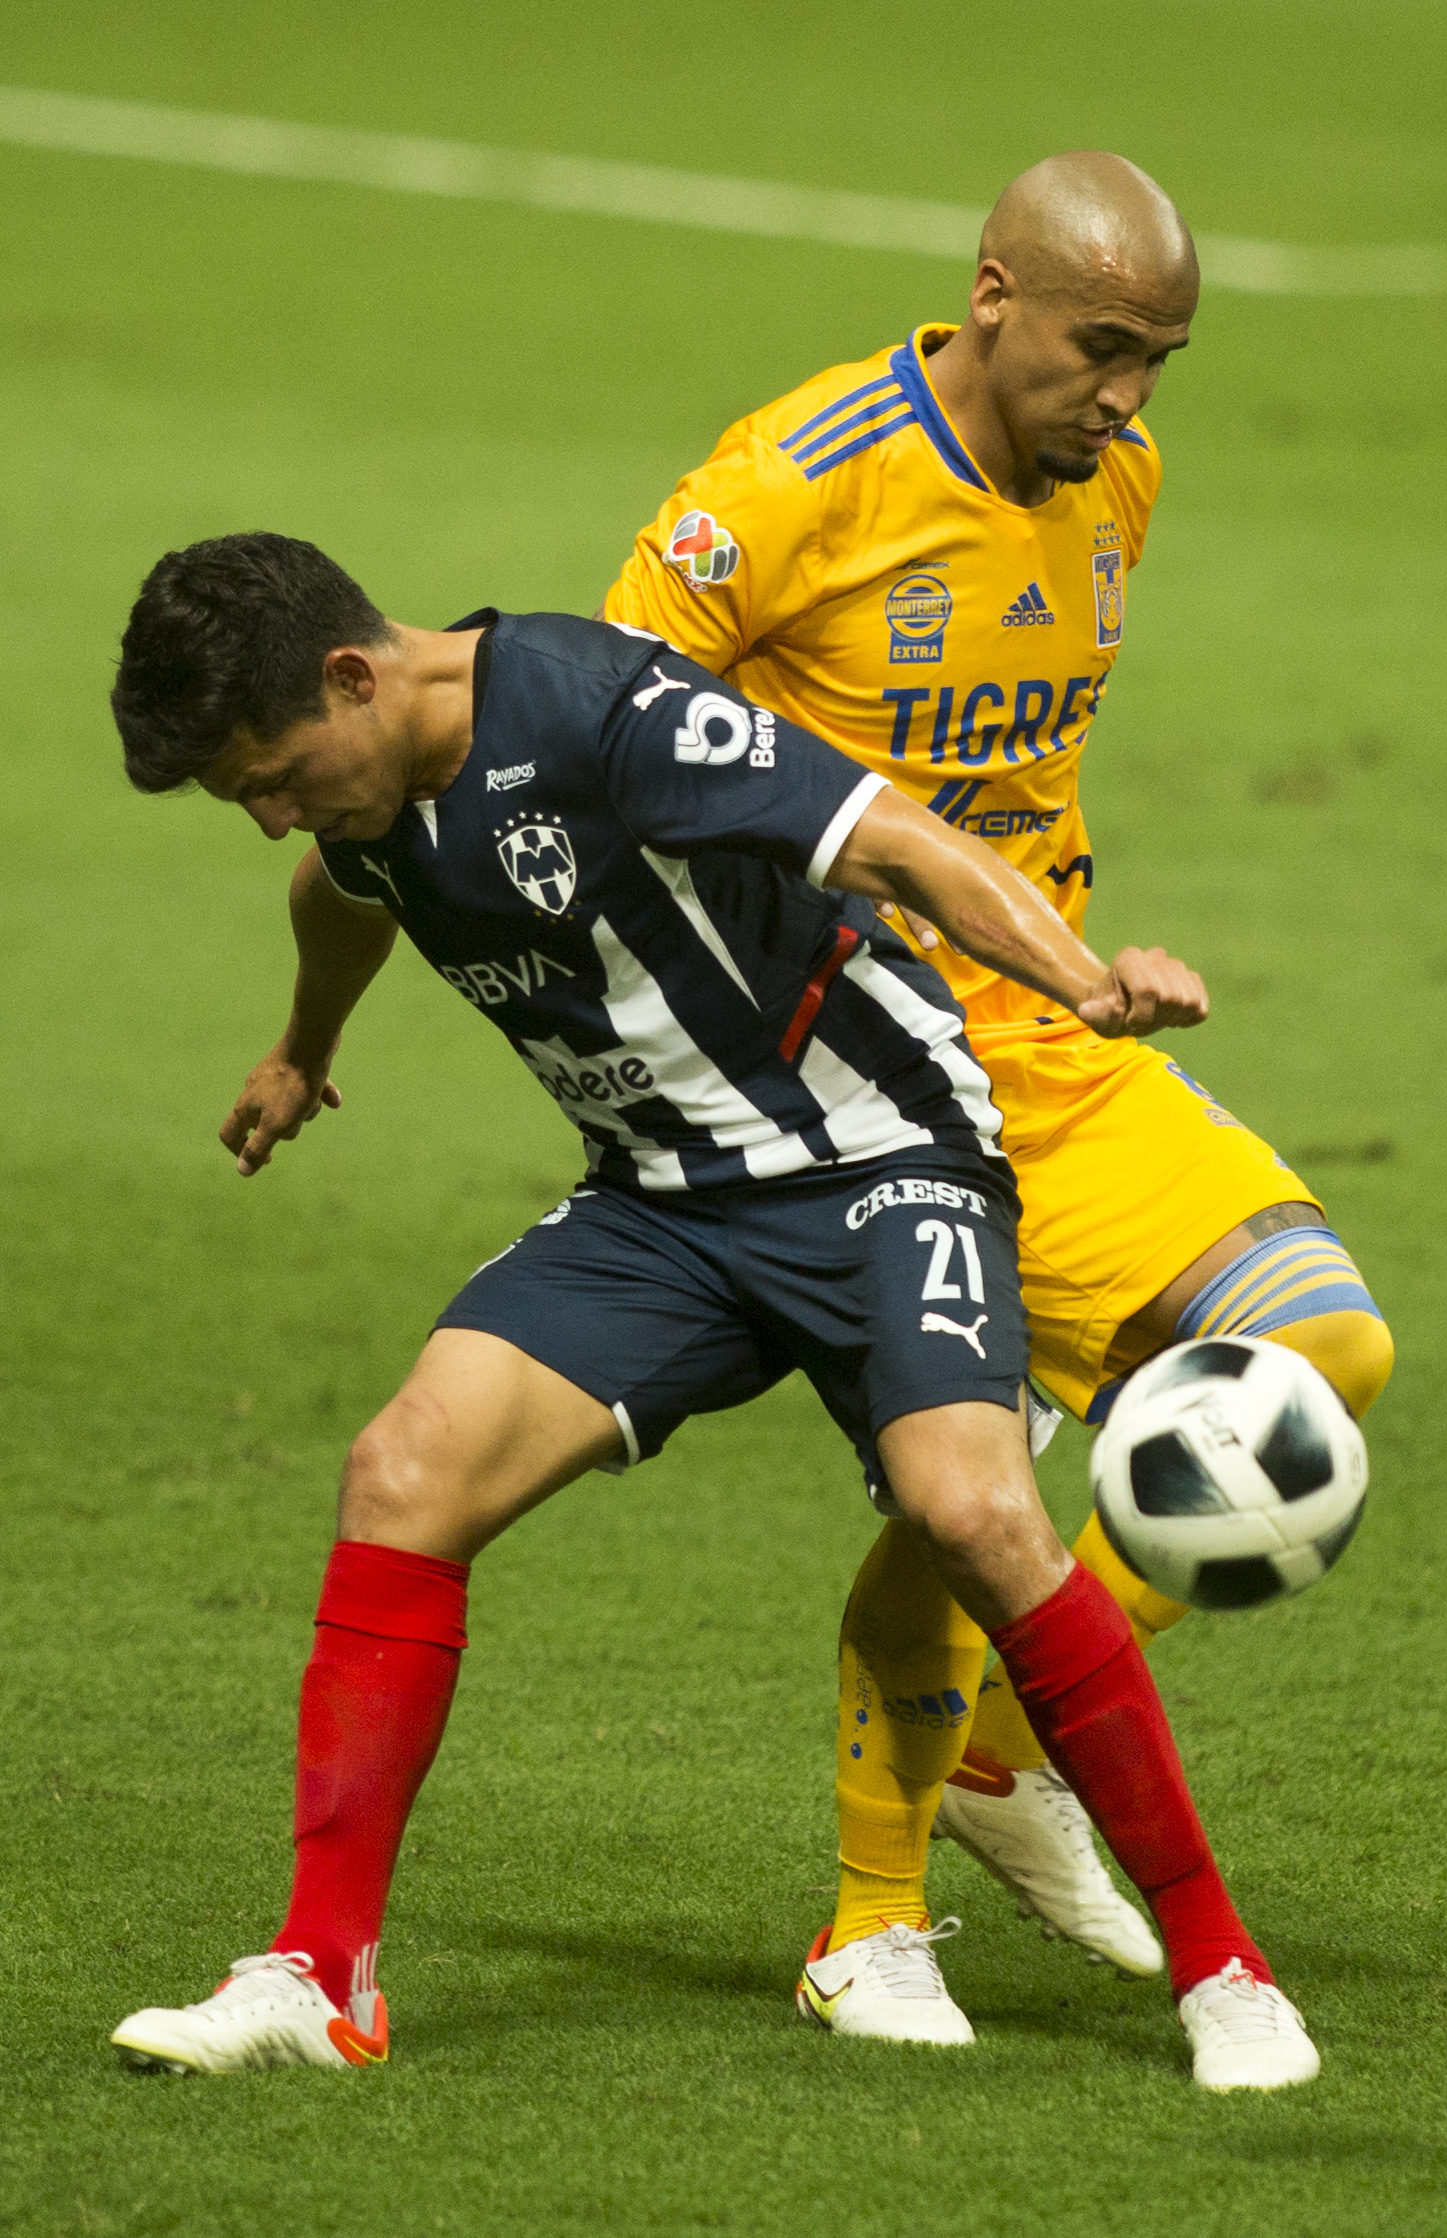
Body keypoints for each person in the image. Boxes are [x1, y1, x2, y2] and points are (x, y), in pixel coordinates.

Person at [106, 533, 1313, 2089]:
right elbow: (341, 890)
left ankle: (1225, 1969)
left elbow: (896, 842)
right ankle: (320, 1979)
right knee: (403, 1469)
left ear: (354, 675)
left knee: (974, 1511)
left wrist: (1080, 980)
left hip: (880, 1152)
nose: (273, 807)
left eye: (272, 770)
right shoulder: (369, 796)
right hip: (664, 1202)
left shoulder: (603, 709)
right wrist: (298, 1046)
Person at [603, 150, 1392, 2024]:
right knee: (978, 1480)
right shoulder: (791, 486)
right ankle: (868, 1918)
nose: (1127, 395)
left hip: (1051, 1038)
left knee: (1321, 1354)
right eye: (1103, 347)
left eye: (1161, 360)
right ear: (992, 295)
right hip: (842, 1075)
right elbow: (607, 724)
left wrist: (1066, 960)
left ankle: (996, 1751)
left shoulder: (1112, 479)